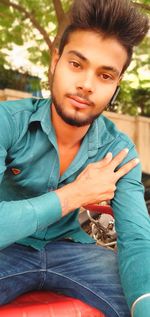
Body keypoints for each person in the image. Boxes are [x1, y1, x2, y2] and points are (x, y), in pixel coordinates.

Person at [0, 0, 149, 316]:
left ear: (117, 85)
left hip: (72, 252)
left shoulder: (118, 149)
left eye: (105, 76)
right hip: (7, 247)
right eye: (76, 64)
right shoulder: (7, 121)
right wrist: (75, 195)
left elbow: (137, 239)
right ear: (55, 61)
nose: (86, 85)